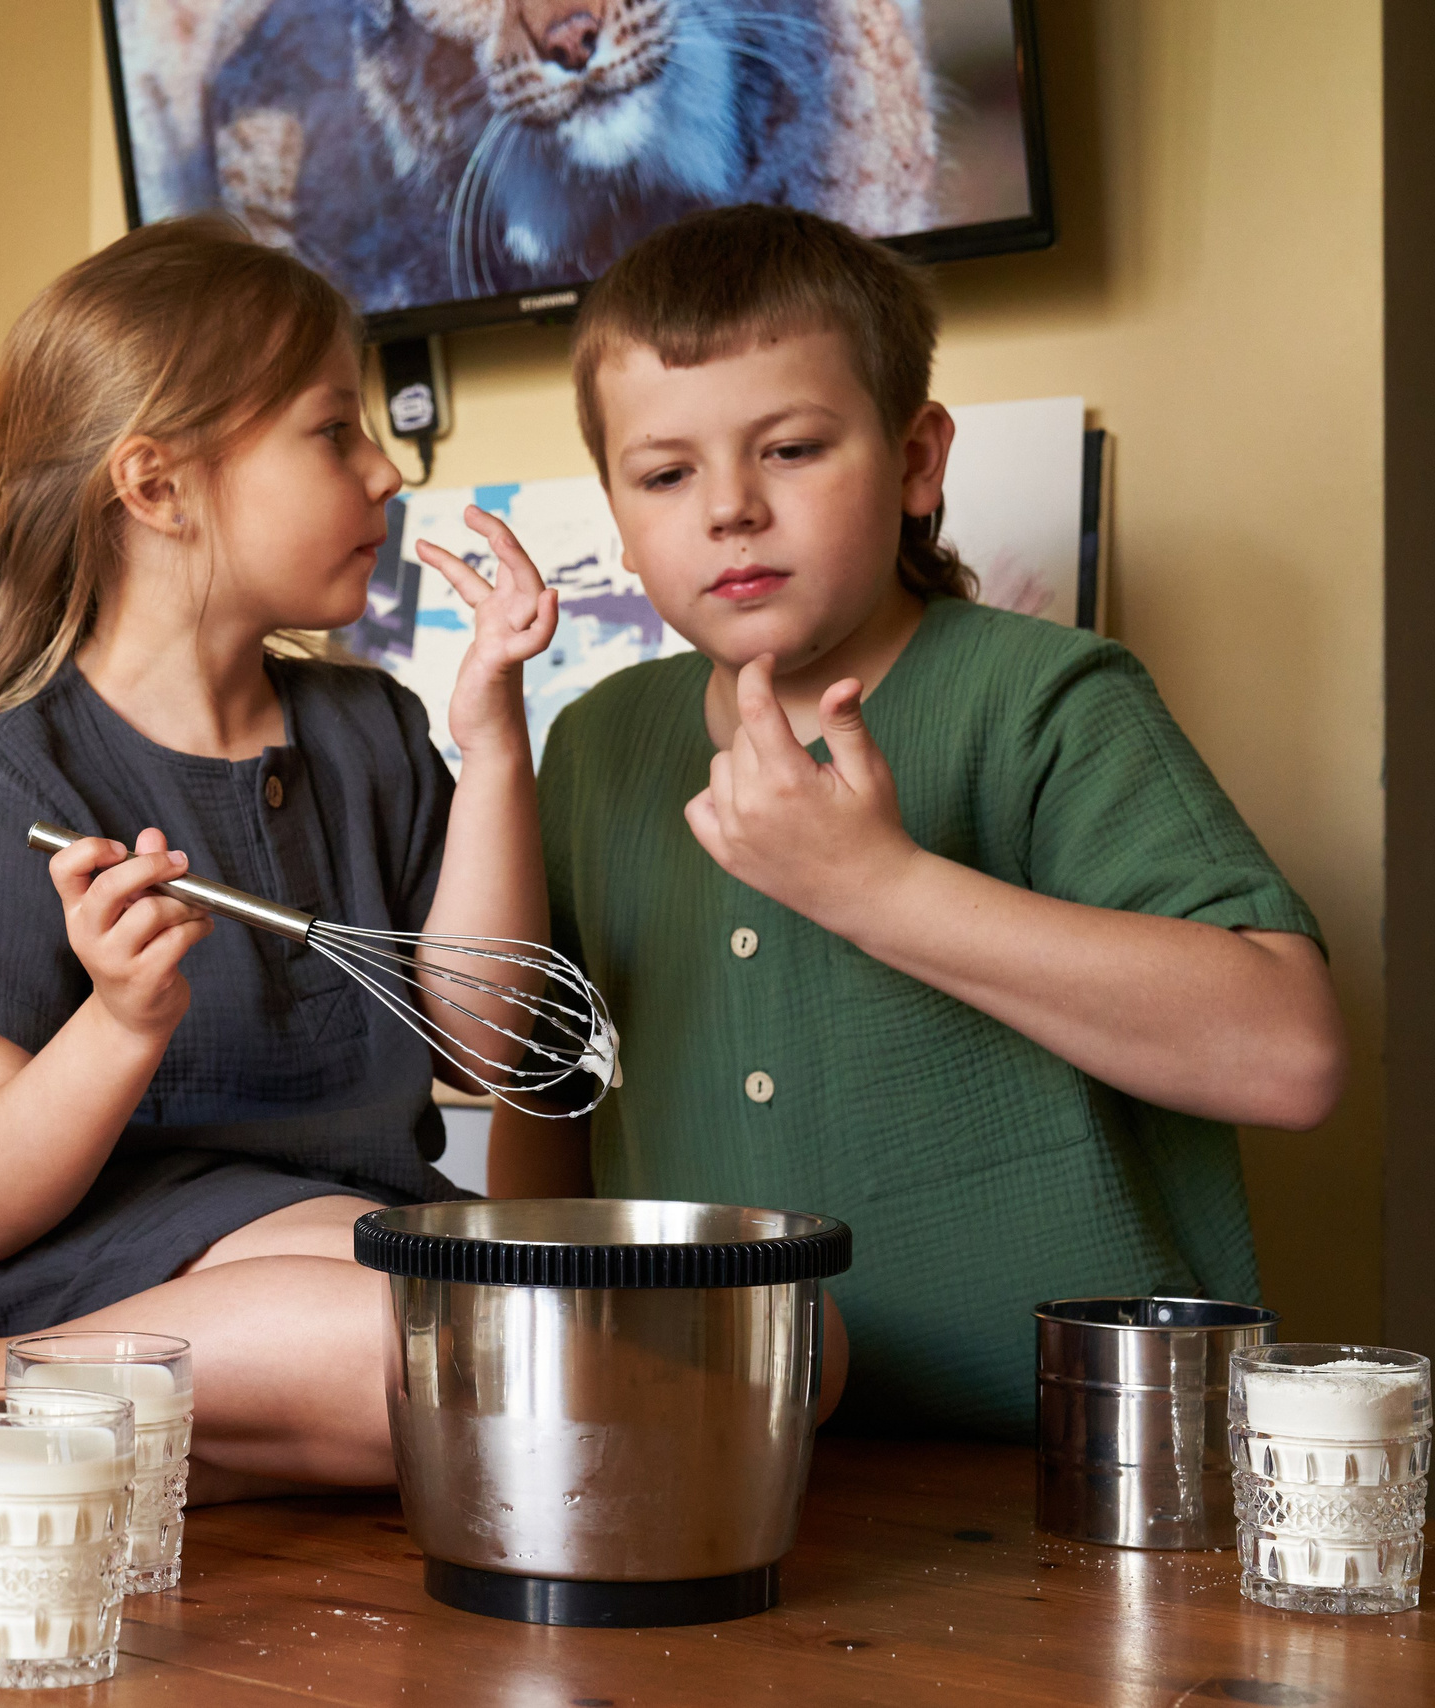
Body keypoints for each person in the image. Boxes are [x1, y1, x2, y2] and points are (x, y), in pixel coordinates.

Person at [487, 204, 1346, 1438]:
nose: (728, 508)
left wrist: (879, 888)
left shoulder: (1048, 697)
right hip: (720, 1456)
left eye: (789, 449)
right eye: (667, 473)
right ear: (619, 517)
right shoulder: (594, 745)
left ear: (915, 461)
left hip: (1076, 1470)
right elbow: (546, 1095)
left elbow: (1290, 1053)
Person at [0, 216, 568, 1492]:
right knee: (465, 1350)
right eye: (334, 432)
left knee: (779, 1341)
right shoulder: (10, 791)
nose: (384, 474)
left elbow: (487, 1043)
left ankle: (129, 1440)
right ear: (157, 485)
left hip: (363, 1245)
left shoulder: (373, 733)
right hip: (128, 1264)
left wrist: (493, 739)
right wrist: (121, 1019)